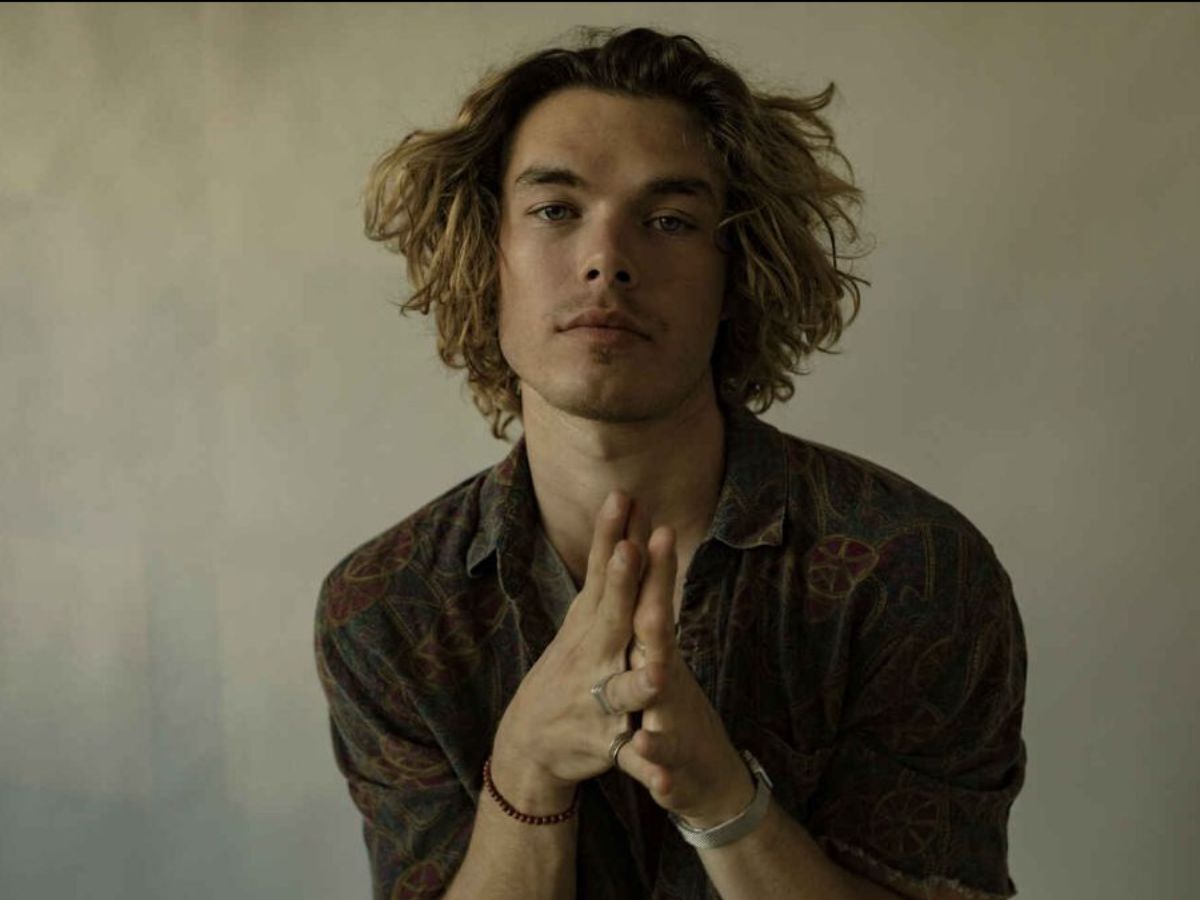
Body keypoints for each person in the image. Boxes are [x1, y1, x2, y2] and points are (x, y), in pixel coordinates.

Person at [314, 25, 1026, 900]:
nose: (607, 261)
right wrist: (526, 774)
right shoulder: (385, 607)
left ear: (738, 274)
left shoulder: (909, 568)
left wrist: (721, 796)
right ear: (485, 254)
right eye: (555, 210)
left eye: (669, 221)